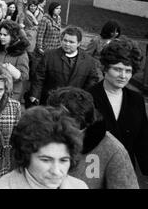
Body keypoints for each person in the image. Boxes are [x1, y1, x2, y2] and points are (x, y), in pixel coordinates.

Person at [47, 87, 139, 189]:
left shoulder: (113, 151)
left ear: (85, 125)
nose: (60, 134)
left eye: (70, 129)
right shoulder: (35, 140)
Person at [89, 37, 148, 177]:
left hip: (124, 172)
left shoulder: (136, 100)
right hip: (93, 171)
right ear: (105, 68)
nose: (123, 76)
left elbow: (143, 141)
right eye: (117, 69)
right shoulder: (88, 97)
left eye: (128, 71)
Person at [0, 106, 88, 189]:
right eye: (45, 160)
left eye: (63, 160)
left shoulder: (80, 186)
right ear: (26, 157)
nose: (56, 171)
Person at [29, 26, 99, 105]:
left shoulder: (88, 61)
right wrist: (34, 95)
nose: (67, 44)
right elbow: (39, 77)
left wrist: (83, 98)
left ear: (79, 43)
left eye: (71, 42)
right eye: (65, 40)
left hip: (74, 104)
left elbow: (92, 81)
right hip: (50, 101)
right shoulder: (49, 55)